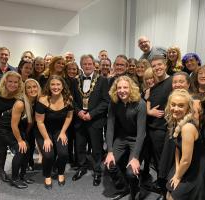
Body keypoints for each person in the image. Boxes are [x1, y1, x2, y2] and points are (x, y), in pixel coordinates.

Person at [165, 89, 205, 200]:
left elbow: (186, 160)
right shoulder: (177, 121)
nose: (175, 109)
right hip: (184, 165)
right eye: (173, 105)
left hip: (196, 169)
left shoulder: (187, 128)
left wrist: (178, 176)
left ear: (188, 108)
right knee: (169, 194)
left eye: (180, 106)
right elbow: (177, 148)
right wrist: (177, 169)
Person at [104, 76, 146, 200]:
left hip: (136, 138)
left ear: (131, 88)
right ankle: (123, 187)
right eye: (119, 88)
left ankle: (135, 189)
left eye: (125, 87)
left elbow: (141, 133)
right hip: (122, 137)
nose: (122, 90)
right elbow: (110, 127)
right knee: (110, 164)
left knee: (131, 172)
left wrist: (135, 157)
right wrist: (110, 151)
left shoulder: (140, 103)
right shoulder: (114, 102)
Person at [0, 79, 41, 189]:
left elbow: (30, 122)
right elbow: (13, 125)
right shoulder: (20, 103)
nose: (32, 89)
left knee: (27, 148)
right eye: (29, 87)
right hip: (4, 128)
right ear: (24, 90)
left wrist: (25, 138)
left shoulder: (35, 102)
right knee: (21, 149)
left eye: (34, 86)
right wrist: (20, 141)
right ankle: (14, 179)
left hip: (17, 128)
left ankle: (22, 175)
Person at [71, 54, 109, 186]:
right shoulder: (75, 80)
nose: (87, 66)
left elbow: (105, 102)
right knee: (80, 146)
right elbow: (73, 101)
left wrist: (91, 114)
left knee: (97, 148)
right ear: (81, 66)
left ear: (94, 65)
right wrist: (79, 112)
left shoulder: (103, 80)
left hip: (95, 120)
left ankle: (97, 171)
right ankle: (81, 168)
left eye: (90, 64)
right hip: (80, 119)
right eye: (85, 64)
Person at [35, 75, 73, 189]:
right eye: (52, 84)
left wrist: (63, 132)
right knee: (48, 155)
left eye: (58, 84)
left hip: (59, 130)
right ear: (48, 86)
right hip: (43, 130)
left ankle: (61, 173)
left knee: (63, 154)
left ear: (62, 86)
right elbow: (40, 122)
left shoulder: (68, 99)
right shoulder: (42, 100)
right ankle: (47, 175)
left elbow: (69, 117)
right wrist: (46, 139)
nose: (55, 87)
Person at [146, 55, 172, 194]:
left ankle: (167, 188)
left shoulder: (173, 81)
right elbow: (148, 104)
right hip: (153, 129)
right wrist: (149, 112)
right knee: (157, 161)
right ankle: (161, 184)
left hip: (165, 129)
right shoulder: (154, 87)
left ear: (165, 65)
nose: (157, 68)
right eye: (154, 66)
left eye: (159, 65)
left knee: (165, 161)